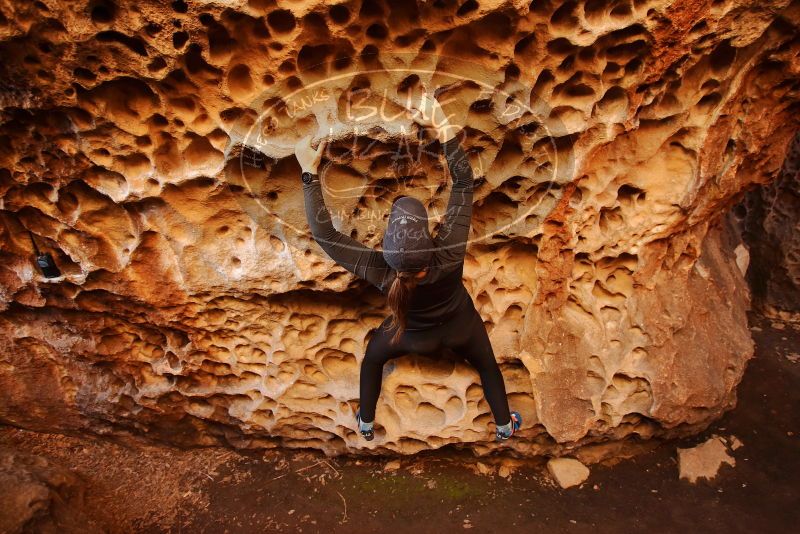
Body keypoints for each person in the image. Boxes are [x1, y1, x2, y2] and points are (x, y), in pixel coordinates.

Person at [295, 89, 521, 443]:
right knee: (488, 366)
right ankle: (506, 426)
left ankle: (366, 424)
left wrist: (308, 172)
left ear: (386, 248)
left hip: (409, 338)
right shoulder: (448, 252)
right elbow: (463, 183)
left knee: (373, 360)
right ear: (431, 236)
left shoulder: (382, 271)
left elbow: (324, 235)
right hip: (462, 329)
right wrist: (441, 123)